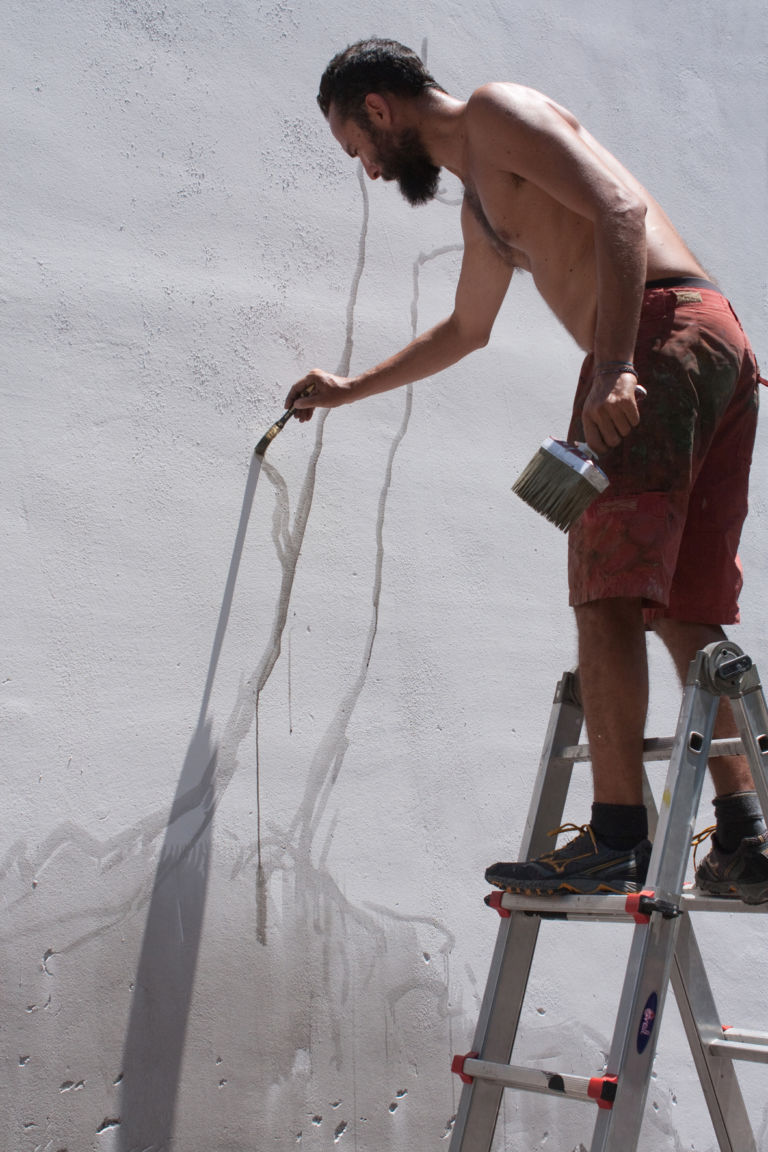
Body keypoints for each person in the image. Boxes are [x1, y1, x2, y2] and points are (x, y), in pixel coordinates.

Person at [285, 39, 768, 902]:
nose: (364, 169)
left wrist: (617, 362)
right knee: (684, 607)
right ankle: (748, 835)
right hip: (707, 338)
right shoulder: (483, 206)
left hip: (656, 335)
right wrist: (349, 389)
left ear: (378, 108)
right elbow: (467, 330)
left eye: (355, 146)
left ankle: (618, 836)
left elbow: (618, 208)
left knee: (608, 587)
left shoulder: (497, 111)